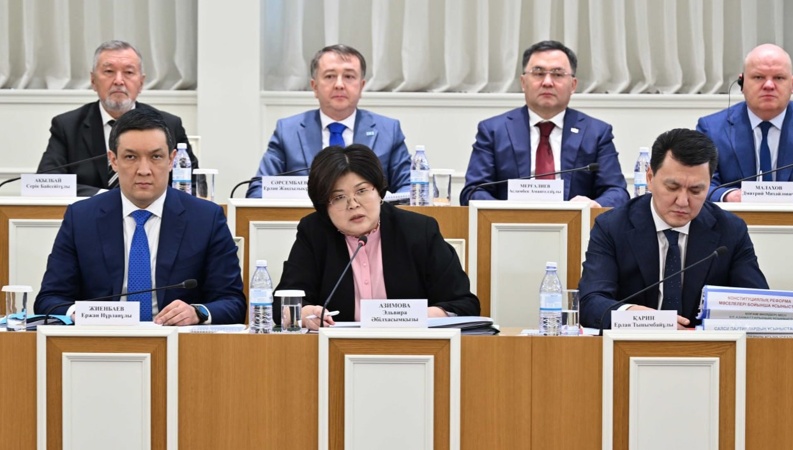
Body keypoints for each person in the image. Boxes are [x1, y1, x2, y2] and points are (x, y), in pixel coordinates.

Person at [35, 108, 246, 325]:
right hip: (102, 337)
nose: (144, 170)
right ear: (113, 161)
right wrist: (77, 313)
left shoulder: (206, 218)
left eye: (156, 157)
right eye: (131, 157)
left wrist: (197, 312)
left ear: (172, 160)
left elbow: (233, 302)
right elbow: (49, 300)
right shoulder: (81, 218)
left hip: (176, 338)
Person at [578, 129, 768, 329]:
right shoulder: (613, 226)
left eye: (696, 190)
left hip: (705, 346)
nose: (683, 201)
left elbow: (757, 306)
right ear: (650, 178)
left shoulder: (730, 230)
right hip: (634, 343)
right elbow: (591, 303)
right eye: (672, 187)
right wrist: (641, 319)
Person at [274, 144, 479, 330]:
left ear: (379, 191)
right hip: (337, 348)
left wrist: (417, 317)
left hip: (412, 346)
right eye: (339, 197)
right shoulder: (314, 232)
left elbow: (464, 304)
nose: (353, 204)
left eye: (362, 191)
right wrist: (305, 314)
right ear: (323, 206)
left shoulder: (418, 230)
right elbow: (282, 304)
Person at [460, 40, 629, 207]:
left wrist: (594, 205)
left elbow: (617, 191)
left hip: (577, 223)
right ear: (523, 82)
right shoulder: (494, 131)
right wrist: (504, 212)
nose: (547, 82)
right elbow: (473, 191)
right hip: (508, 223)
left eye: (558, 74)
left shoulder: (596, 133)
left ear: (573, 85)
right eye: (538, 73)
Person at [37, 40, 198, 196]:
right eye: (109, 71)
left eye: (128, 72)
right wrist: (105, 198)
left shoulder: (168, 124)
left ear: (141, 83)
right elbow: (47, 182)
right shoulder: (67, 126)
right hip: (91, 212)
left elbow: (192, 183)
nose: (119, 81)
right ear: (93, 80)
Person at [246, 45, 411, 198]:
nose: (339, 85)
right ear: (314, 86)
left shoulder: (388, 131)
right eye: (330, 76)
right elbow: (258, 190)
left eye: (349, 76)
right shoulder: (288, 131)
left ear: (361, 86)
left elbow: (410, 187)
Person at [697, 43, 793, 202]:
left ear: (792, 84)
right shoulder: (711, 129)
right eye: (759, 77)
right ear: (742, 82)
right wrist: (730, 197)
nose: (769, 85)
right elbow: (698, 183)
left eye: (779, 78)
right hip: (734, 217)